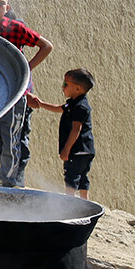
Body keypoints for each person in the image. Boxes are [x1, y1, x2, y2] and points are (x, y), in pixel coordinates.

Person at [0, 0, 53, 188]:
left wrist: (26, 68)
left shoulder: (16, 29)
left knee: (13, 134)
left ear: (7, 6)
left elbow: (46, 46)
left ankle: (10, 181)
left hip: (17, 90)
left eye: (1, 3)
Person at [28, 69, 96, 199]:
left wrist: (66, 149)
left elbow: (76, 129)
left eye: (66, 84)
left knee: (72, 175)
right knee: (82, 176)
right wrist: (41, 104)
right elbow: (59, 108)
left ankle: (70, 200)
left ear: (77, 88)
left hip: (77, 149)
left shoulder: (80, 106)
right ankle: (84, 201)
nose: (63, 87)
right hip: (87, 149)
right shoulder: (73, 103)